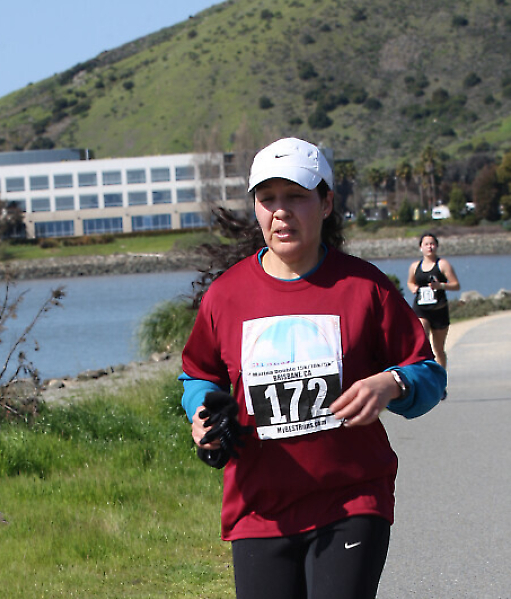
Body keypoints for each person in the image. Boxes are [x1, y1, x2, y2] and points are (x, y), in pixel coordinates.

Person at [180, 137, 446, 599]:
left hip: (351, 499)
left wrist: (392, 383)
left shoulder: (365, 287)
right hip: (259, 508)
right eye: (268, 199)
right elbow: (199, 374)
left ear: (326, 204)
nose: (280, 212)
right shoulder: (226, 295)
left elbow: (428, 373)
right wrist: (202, 414)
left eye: (296, 196)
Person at [407, 232, 460, 369]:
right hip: (421, 309)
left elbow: (456, 285)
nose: (429, 247)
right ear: (421, 247)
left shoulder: (443, 264)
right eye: (426, 244)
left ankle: (441, 377)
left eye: (432, 244)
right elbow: (410, 282)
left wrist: (440, 286)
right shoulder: (415, 266)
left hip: (439, 309)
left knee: (438, 349)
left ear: (436, 246)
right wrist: (413, 288)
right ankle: (425, 373)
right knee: (422, 342)